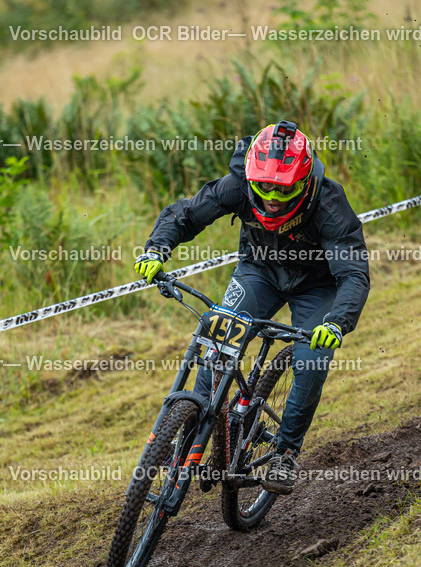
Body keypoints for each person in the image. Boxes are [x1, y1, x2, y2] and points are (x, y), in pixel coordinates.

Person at [134, 120, 370, 495]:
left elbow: (354, 274)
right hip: (259, 271)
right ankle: (190, 430)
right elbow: (187, 213)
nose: (273, 199)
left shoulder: (330, 203)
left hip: (317, 285)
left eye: (283, 190)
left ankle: (285, 451)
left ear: (305, 182)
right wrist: (155, 249)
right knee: (218, 340)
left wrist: (338, 323)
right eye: (265, 188)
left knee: (310, 362)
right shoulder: (239, 183)